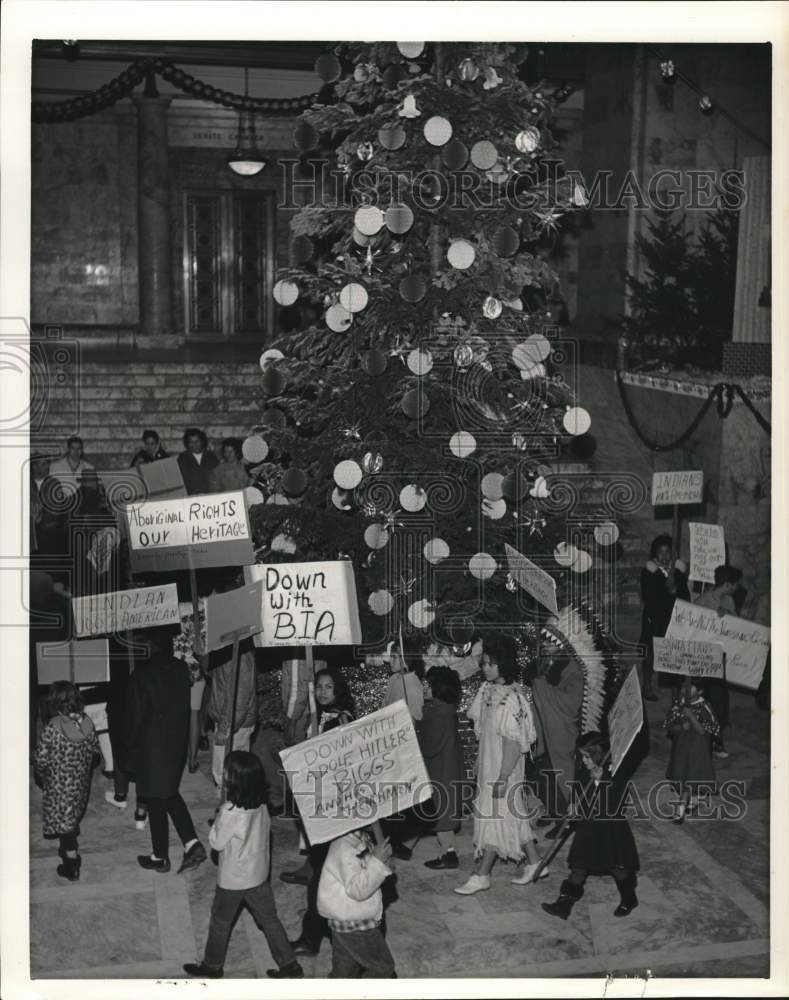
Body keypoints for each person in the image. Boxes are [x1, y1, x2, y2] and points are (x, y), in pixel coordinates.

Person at [183, 751, 303, 980]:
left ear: (234, 780)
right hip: (258, 874)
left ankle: (213, 965)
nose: (224, 775)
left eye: (226, 772)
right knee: (269, 919)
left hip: (233, 879)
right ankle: (290, 964)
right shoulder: (262, 804)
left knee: (220, 922)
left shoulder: (231, 812)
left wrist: (219, 816)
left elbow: (216, 842)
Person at [455, 635, 548, 895]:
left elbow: (512, 743)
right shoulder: (486, 691)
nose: (484, 667)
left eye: (490, 664)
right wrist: (478, 762)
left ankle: (481, 874)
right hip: (490, 765)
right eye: (483, 663)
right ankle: (535, 862)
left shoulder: (511, 700)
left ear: (503, 665)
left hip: (504, 769)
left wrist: (503, 776)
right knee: (511, 814)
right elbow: (484, 734)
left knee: (495, 817)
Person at [124, 630, 207, 874]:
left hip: (151, 746)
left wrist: (128, 744)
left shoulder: (141, 674)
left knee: (156, 796)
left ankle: (161, 856)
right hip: (175, 743)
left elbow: (134, 717)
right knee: (166, 793)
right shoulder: (181, 668)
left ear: (150, 646)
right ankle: (188, 845)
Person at [285, 669, 355, 957]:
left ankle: (315, 936)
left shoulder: (343, 718)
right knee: (323, 870)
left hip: (335, 807)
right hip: (317, 802)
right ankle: (321, 932)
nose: (323, 692)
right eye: (320, 688)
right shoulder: (319, 716)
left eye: (329, 687)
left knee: (327, 875)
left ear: (338, 689)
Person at [542, 732, 640, 920]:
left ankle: (629, 897)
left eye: (587, 756)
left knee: (616, 867)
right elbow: (577, 787)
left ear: (598, 754)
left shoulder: (616, 773)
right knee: (579, 866)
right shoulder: (584, 769)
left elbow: (614, 803)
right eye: (582, 756)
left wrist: (600, 781)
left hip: (609, 829)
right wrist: (572, 803)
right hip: (587, 828)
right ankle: (564, 904)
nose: (584, 761)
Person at [33, 680, 99, 881]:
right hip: (80, 781)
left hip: (59, 784)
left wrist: (37, 764)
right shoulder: (87, 721)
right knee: (71, 813)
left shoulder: (53, 727)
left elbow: (41, 759)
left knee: (65, 823)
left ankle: (71, 864)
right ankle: (66, 845)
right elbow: (95, 752)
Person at [317, 826, 396, 978]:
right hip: (355, 922)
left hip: (345, 918)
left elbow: (366, 870)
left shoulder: (359, 837)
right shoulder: (343, 847)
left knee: (345, 969)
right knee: (383, 967)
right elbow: (358, 890)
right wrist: (378, 862)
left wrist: (380, 859)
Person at [409, 665, 465, 870]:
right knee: (445, 816)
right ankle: (449, 853)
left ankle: (448, 855)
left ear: (438, 688)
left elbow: (430, 746)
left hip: (440, 774)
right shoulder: (444, 711)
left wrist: (416, 732)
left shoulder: (437, 715)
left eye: (428, 684)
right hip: (447, 770)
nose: (424, 687)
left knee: (441, 817)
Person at [530, 635, 584, 837]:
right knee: (544, 770)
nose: (544, 644)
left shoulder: (575, 668)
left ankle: (566, 820)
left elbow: (571, 704)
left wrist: (541, 686)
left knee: (562, 772)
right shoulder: (547, 661)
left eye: (550, 641)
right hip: (545, 728)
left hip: (562, 730)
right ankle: (553, 810)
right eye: (542, 641)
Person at [694, 564, 742, 759]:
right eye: (735, 584)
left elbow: (738, 626)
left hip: (722, 657)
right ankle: (709, 740)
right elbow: (692, 628)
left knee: (720, 700)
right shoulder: (702, 601)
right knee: (709, 700)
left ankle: (716, 738)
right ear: (728, 584)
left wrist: (728, 616)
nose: (737, 588)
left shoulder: (729, 600)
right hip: (704, 657)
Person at [639, 534, 690, 700]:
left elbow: (685, 595)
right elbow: (648, 595)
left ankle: (674, 690)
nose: (664, 556)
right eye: (660, 552)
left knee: (672, 653)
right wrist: (666, 587)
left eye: (668, 552)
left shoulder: (678, 572)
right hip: (654, 618)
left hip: (673, 618)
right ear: (654, 554)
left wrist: (677, 589)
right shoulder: (649, 572)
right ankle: (647, 684)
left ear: (673, 554)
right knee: (652, 653)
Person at [207, 639, 258, 792]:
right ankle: (229, 810)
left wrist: (225, 727)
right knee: (230, 774)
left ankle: (232, 811)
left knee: (228, 775)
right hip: (230, 720)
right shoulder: (228, 651)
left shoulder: (239, 656)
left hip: (234, 724)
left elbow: (240, 698)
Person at [664, 682, 719, 823]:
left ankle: (679, 813)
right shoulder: (678, 705)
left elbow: (704, 730)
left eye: (691, 686)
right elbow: (669, 726)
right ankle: (694, 799)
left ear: (700, 691)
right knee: (681, 774)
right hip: (681, 747)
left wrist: (691, 717)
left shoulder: (704, 706)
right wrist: (681, 726)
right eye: (683, 686)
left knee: (690, 777)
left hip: (697, 748)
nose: (685, 689)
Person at [383, 637, 424, 722]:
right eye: (390, 656)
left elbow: (413, 723)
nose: (390, 660)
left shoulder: (412, 688)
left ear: (406, 659)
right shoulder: (393, 678)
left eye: (394, 657)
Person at [49, 435, 96, 500]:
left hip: (83, 504)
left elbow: (92, 492)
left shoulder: (89, 468)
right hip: (62, 504)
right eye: (73, 448)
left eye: (79, 448)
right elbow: (51, 489)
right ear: (68, 449)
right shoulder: (55, 466)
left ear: (82, 450)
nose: (76, 452)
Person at [177, 427, 219, 495]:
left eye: (197, 441)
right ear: (187, 443)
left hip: (210, 496)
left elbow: (217, 478)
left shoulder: (211, 457)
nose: (194, 445)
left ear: (202, 442)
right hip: (190, 496)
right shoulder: (182, 458)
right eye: (191, 442)